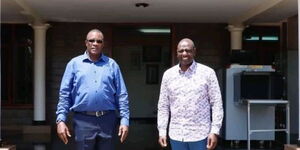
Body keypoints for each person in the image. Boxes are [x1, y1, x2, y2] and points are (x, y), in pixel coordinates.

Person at [56, 29, 130, 150]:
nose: (95, 43)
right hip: (83, 121)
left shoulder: (112, 65)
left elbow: (121, 94)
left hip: (107, 120)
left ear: (103, 44)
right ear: (86, 43)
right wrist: (61, 120)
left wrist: (125, 120)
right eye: (91, 40)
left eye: (99, 41)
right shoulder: (74, 64)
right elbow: (65, 94)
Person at [157, 38, 223, 150]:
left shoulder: (207, 73)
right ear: (176, 53)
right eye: (181, 51)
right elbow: (163, 105)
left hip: (201, 135)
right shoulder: (168, 75)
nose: (184, 54)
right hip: (176, 134)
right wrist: (162, 131)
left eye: (188, 50)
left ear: (194, 51)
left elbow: (217, 103)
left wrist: (215, 131)